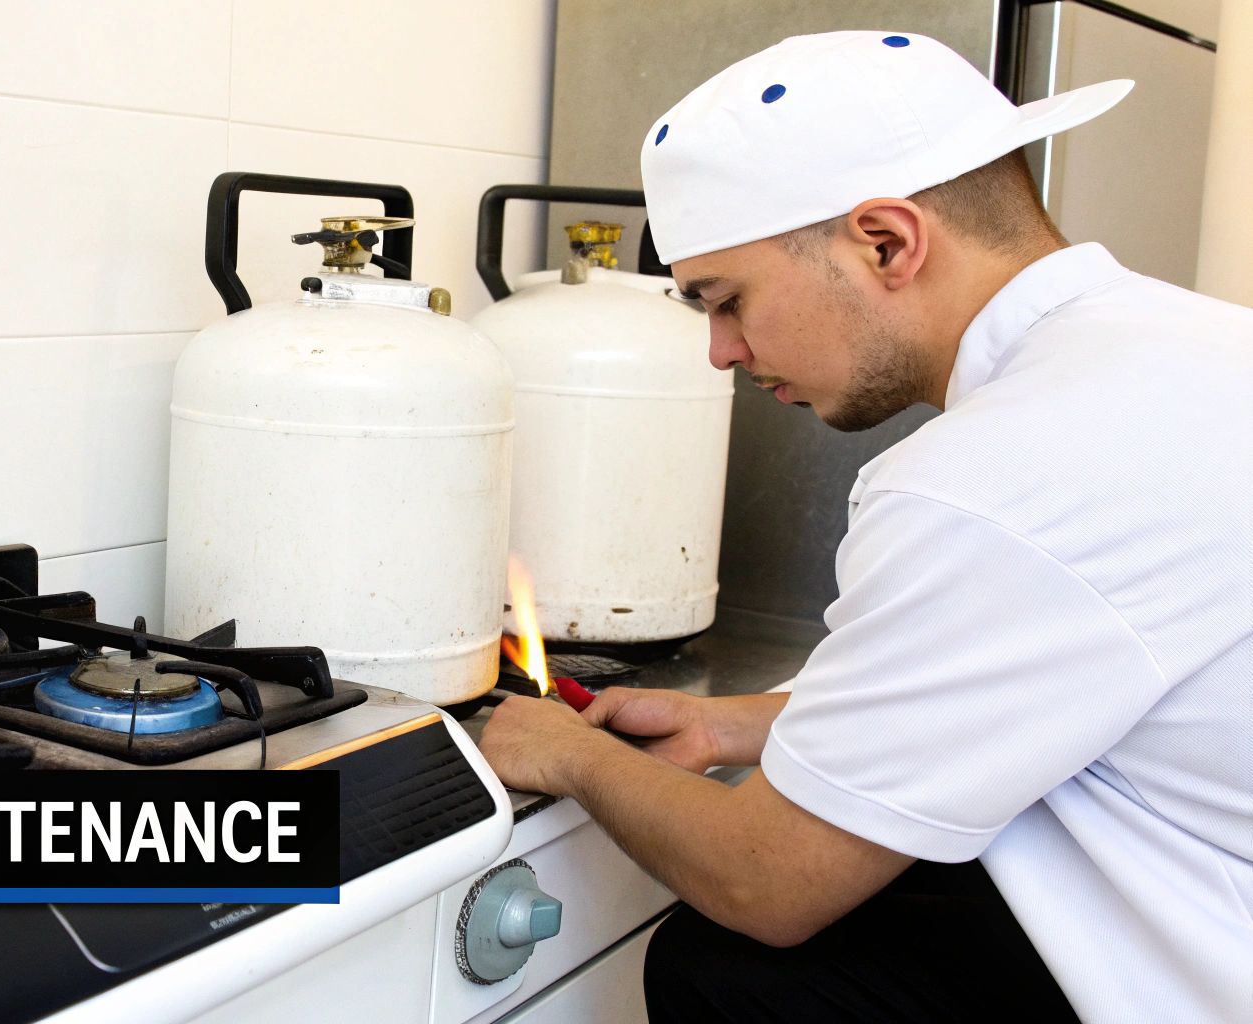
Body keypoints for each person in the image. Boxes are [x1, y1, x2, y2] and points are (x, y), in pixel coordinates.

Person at [476, 30, 1252, 1024]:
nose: (718, 351)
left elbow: (767, 885)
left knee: (726, 966)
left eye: (726, 300)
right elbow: (1055, 681)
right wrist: (728, 721)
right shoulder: (1186, 349)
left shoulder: (990, 478)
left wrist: (565, 751)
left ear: (883, 241)